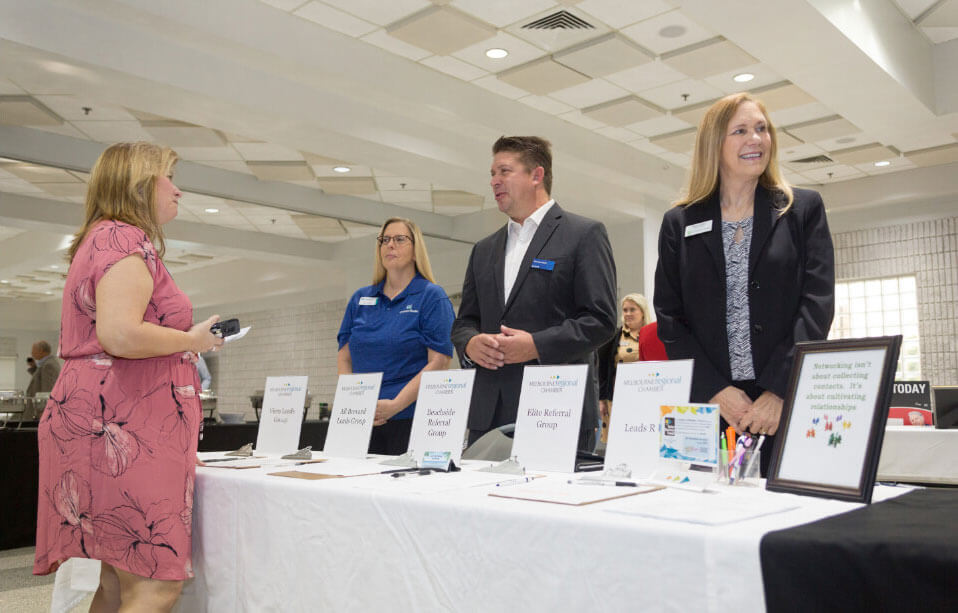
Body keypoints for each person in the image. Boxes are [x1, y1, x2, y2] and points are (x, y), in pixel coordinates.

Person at [33, 142, 223, 611]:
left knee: (117, 583)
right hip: (120, 426)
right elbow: (119, 334)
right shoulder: (122, 240)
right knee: (154, 585)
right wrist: (190, 340)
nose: (178, 190)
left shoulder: (102, 238)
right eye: (168, 178)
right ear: (140, 184)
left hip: (103, 420)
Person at [654, 92, 835, 476]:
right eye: (740, 131)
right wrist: (715, 391)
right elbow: (670, 317)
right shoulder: (679, 222)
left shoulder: (802, 209)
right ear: (714, 145)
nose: (755, 139)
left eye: (761, 129)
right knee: (701, 519)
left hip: (782, 403)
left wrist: (780, 389)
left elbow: (816, 305)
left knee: (788, 521)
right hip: (708, 405)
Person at [452, 136, 617, 450]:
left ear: (536, 175)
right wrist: (471, 344)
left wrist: (536, 346)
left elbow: (601, 319)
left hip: (555, 408)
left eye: (504, 171)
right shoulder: (483, 249)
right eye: (492, 174)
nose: (494, 182)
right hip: (487, 416)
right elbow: (464, 323)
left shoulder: (584, 234)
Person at [337, 217, 455, 455]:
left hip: (410, 419)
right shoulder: (360, 299)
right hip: (360, 421)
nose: (390, 245)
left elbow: (440, 362)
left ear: (415, 250)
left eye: (400, 239)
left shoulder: (431, 296)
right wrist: (354, 404)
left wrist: (396, 405)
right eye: (385, 240)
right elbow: (344, 358)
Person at [597, 293, 649, 444]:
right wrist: (601, 399)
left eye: (632, 310)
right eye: (625, 310)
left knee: (642, 439)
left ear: (643, 311)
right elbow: (603, 369)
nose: (628, 314)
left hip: (645, 397)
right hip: (617, 398)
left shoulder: (652, 334)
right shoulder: (614, 336)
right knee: (619, 440)